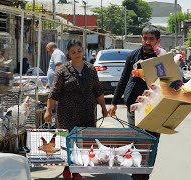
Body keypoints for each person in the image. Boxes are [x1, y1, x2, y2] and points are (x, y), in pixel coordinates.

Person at [44, 39, 108, 179]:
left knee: (84, 142)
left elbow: (98, 90)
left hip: (87, 112)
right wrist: (48, 110)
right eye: (73, 52)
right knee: (68, 141)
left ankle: (77, 168)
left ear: (83, 50)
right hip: (67, 112)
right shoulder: (63, 70)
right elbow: (54, 92)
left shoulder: (91, 69)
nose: (77, 54)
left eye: (79, 51)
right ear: (69, 54)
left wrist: (103, 107)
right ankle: (68, 168)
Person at [108, 25, 163, 180]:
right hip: (134, 106)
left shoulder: (162, 58)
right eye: (145, 38)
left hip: (155, 107)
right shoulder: (133, 56)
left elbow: (170, 80)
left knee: (151, 143)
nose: (147, 41)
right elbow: (123, 79)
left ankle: (144, 174)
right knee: (136, 143)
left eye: (151, 38)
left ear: (158, 40)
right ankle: (136, 175)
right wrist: (113, 102)